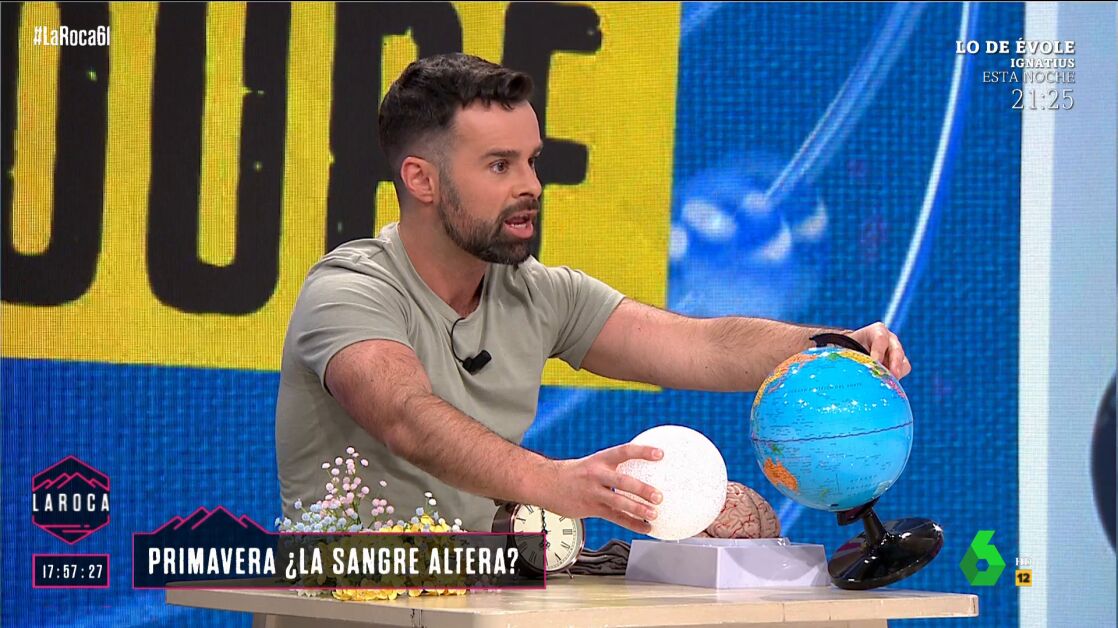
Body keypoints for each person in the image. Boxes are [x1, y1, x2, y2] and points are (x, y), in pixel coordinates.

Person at [275, 53, 912, 534]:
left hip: (486, 600)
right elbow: (406, 418)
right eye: (499, 165)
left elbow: (702, 345)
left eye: (532, 161)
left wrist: (830, 346)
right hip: (353, 603)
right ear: (422, 180)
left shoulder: (538, 293)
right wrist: (555, 483)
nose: (531, 186)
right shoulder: (349, 291)